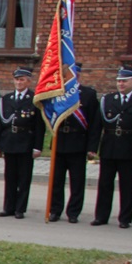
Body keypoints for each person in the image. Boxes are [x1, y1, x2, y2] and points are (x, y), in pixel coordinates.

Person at [92, 66, 132, 228]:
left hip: (130, 147)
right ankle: (101, 216)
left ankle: (125, 218)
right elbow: (97, 125)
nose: (121, 84)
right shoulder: (108, 99)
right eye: (119, 81)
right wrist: (93, 148)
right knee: (105, 183)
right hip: (109, 146)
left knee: (128, 185)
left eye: (124, 81)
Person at [47, 63, 100, 223]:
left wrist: (92, 147)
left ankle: (73, 212)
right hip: (59, 141)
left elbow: (95, 124)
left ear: (77, 75)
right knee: (56, 180)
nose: (67, 78)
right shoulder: (57, 93)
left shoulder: (88, 94)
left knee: (77, 181)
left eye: (70, 75)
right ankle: (55, 210)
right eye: (65, 75)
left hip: (78, 143)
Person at [0, 67, 44, 219]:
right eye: (16, 79)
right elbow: (0, 124)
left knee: (24, 178)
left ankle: (20, 209)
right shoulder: (6, 99)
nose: (19, 82)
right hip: (9, 141)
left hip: (25, 142)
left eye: (22, 80)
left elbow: (39, 126)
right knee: (10, 177)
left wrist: (38, 147)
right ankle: (8, 207)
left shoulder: (35, 99)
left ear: (28, 81)